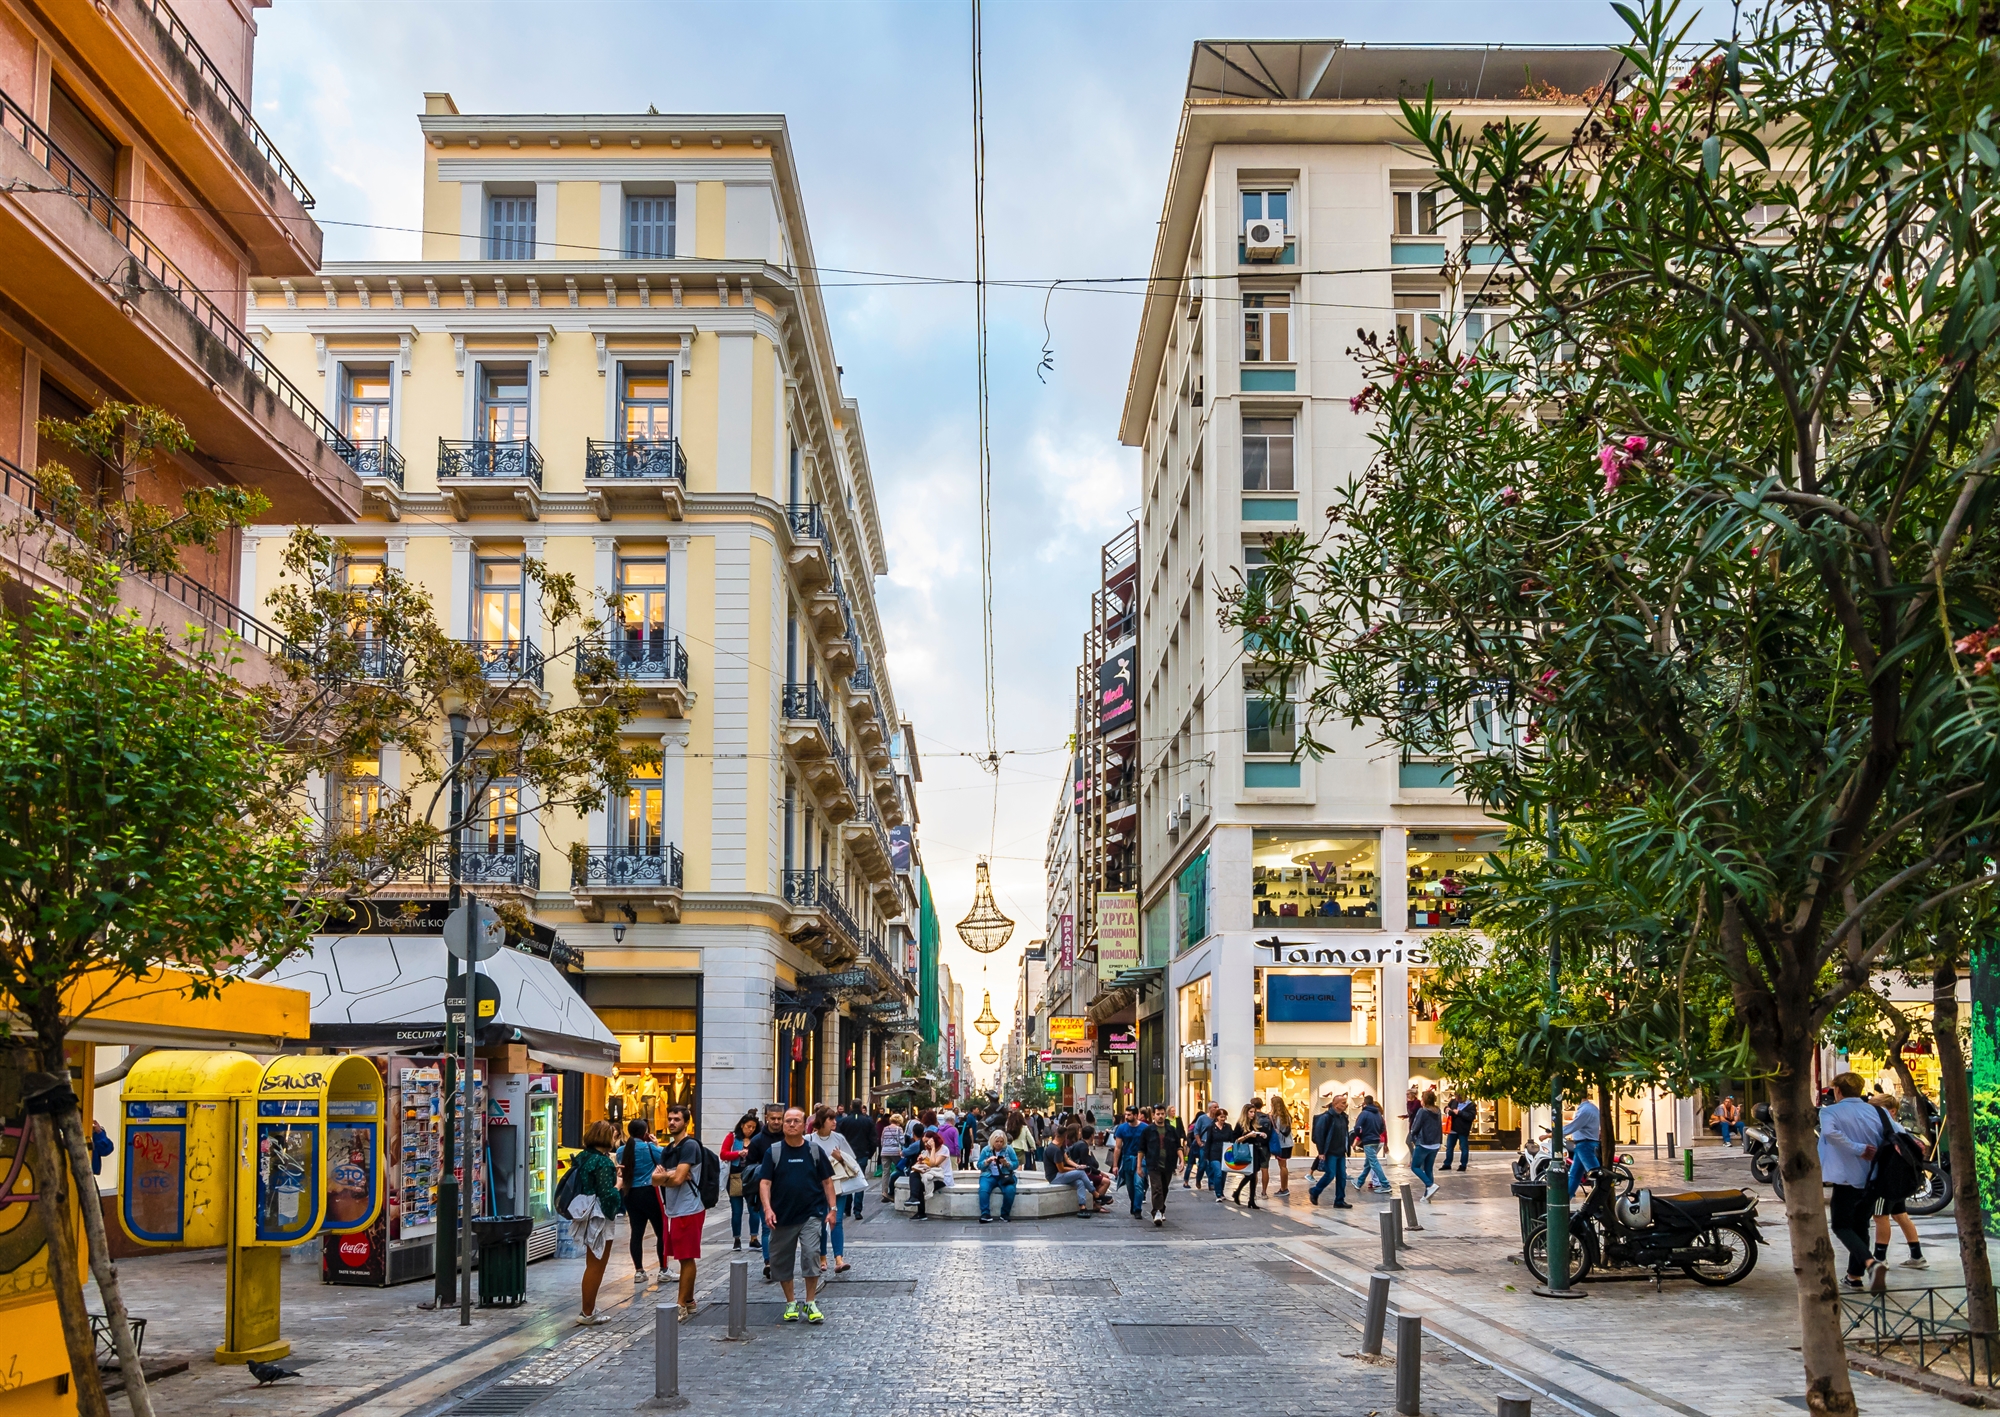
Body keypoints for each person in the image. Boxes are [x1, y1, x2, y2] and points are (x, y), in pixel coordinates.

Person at [757, 1106, 835, 1324]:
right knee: (781, 1261)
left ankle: (810, 1302)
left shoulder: (814, 1151)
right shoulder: (773, 1152)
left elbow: (827, 1181)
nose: (791, 1124)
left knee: (811, 1255)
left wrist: (833, 1209)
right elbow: (765, 1182)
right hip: (782, 1216)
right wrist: (767, 1208)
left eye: (796, 1121)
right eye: (787, 1121)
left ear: (804, 1125)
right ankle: (791, 1302)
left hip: (811, 1214)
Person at [1820, 1072, 1889, 1292]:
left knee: (1841, 1225)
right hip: (1873, 1179)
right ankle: (1854, 1276)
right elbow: (1898, 1133)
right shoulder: (1878, 1111)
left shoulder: (1830, 1111)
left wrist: (1858, 1149)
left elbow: (1830, 1133)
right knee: (1861, 1226)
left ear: (1838, 1091)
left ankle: (1870, 1263)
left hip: (1846, 1179)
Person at [566, 1119, 623, 1326]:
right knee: (597, 1264)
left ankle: (588, 1308)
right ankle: (587, 1311)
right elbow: (608, 1197)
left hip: (584, 1210)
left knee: (592, 1263)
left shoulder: (583, 1156)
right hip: (599, 1215)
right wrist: (618, 1183)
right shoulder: (603, 1162)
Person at [653, 1103, 705, 1320]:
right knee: (682, 1256)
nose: (672, 1122)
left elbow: (675, 1179)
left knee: (686, 1257)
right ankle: (690, 1301)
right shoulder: (667, 1149)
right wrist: (670, 1177)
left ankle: (681, 1304)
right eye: (670, 1118)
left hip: (689, 1208)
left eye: (677, 1119)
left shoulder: (690, 1146)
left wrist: (669, 1176)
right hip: (674, 1209)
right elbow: (654, 1179)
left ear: (686, 1122)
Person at [1867, 1091, 1927, 1271]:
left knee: (1880, 1216)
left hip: (1884, 1181)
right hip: (1897, 1180)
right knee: (1900, 1215)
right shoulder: (1899, 1128)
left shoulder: (1886, 1128)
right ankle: (1917, 1255)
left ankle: (1880, 1257)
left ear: (1891, 1111)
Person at [809, 1104, 862, 1275]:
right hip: (817, 1187)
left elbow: (851, 1159)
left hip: (838, 1185)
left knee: (836, 1221)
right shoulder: (809, 1139)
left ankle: (839, 1258)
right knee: (822, 1221)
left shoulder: (838, 1138)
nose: (834, 1121)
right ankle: (822, 1257)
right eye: (830, 1119)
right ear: (821, 1121)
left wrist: (840, 1158)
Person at [619, 1118, 668, 1287]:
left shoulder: (621, 1151)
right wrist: (656, 1144)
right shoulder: (649, 1148)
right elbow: (664, 1158)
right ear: (645, 1132)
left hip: (630, 1194)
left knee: (636, 1232)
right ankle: (663, 1269)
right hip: (649, 1191)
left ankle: (639, 1271)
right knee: (660, 1231)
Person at [741, 1104, 786, 1281]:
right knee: (767, 1228)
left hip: (787, 1192)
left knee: (784, 1229)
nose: (776, 1121)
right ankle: (769, 1262)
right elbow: (748, 1168)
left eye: (779, 1118)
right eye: (773, 1118)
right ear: (766, 1117)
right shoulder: (758, 1141)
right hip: (765, 1191)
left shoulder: (790, 1137)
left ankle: (779, 1260)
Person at [719, 1112, 763, 1252]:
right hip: (735, 1177)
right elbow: (723, 1153)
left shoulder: (757, 1139)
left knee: (753, 1209)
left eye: (753, 1127)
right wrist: (737, 1153)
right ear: (742, 1125)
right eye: (748, 1126)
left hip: (751, 1177)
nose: (750, 1129)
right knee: (736, 1210)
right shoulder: (732, 1137)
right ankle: (736, 1239)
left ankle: (754, 1238)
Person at [835, 1100, 877, 1222]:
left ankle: (846, 1208)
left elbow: (839, 1138)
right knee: (860, 1181)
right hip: (862, 1153)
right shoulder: (867, 1121)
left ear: (851, 1106)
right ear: (861, 1107)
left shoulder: (844, 1121)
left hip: (847, 1155)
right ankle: (857, 1210)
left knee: (847, 1180)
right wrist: (870, 1153)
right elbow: (873, 1139)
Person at [1309, 1092, 1352, 1207]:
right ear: (1335, 1104)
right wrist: (1321, 1152)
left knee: (1342, 1176)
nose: (1345, 1105)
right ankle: (1315, 1191)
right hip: (1330, 1152)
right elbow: (1319, 1135)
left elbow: (1345, 1134)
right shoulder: (1326, 1117)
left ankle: (1339, 1200)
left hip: (1340, 1151)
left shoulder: (1343, 1117)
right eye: (1343, 1103)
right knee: (1330, 1174)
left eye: (1345, 1102)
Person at [1142, 1106, 1180, 1227]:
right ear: (1153, 1115)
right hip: (1153, 1163)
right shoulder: (1148, 1131)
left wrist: (1182, 1160)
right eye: (1158, 1114)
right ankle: (1157, 1211)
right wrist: (1139, 1165)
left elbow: (1178, 1146)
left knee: (1164, 1188)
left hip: (1168, 1164)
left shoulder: (1171, 1130)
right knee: (1157, 1187)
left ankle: (1161, 1208)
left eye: (1162, 1114)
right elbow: (1141, 1149)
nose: (1160, 1116)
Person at [1110, 1106, 1148, 1217]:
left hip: (1141, 1160)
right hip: (1127, 1159)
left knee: (1138, 1184)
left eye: (1129, 1115)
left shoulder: (1145, 1128)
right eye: (1126, 1114)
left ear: (1136, 1115)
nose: (1126, 1117)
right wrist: (1115, 1165)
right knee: (1130, 1186)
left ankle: (1137, 1209)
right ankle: (1134, 1203)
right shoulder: (1121, 1128)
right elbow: (1118, 1147)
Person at [1229, 1102, 1268, 1208]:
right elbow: (1235, 1140)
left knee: (1253, 1175)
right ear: (1245, 1113)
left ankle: (1251, 1199)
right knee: (1249, 1175)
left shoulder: (1254, 1124)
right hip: (1245, 1151)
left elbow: (1256, 1138)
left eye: (1254, 1112)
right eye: (1251, 1112)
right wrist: (1248, 1136)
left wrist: (1261, 1135)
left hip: (1254, 1151)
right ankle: (1237, 1192)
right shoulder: (1240, 1124)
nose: (1253, 1114)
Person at [911, 1127, 954, 1219]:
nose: (926, 1144)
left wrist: (933, 1148)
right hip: (930, 1175)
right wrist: (920, 1161)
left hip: (942, 1178)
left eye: (927, 1142)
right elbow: (924, 1165)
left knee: (919, 1187)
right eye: (924, 1142)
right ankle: (913, 1197)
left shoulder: (944, 1149)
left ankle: (921, 1212)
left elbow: (933, 1163)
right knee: (913, 1173)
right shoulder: (927, 1151)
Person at [977, 1130, 1019, 1223]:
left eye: (1001, 1141)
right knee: (983, 1189)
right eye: (997, 1141)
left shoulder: (1009, 1149)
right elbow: (979, 1165)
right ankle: (985, 1213)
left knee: (1010, 1190)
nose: (999, 1144)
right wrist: (987, 1161)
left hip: (1005, 1175)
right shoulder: (986, 1150)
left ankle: (1005, 1213)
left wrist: (1007, 1163)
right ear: (992, 1141)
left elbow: (1016, 1163)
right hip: (989, 1175)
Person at [1352, 1095, 1391, 1193]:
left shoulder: (1364, 1113)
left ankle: (1385, 1184)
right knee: (1368, 1163)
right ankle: (1359, 1182)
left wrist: (1360, 1136)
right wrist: (1376, 1133)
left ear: (1364, 1103)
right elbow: (1383, 1128)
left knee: (1373, 1163)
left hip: (1368, 1141)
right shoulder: (1378, 1114)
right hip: (1376, 1141)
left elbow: (1357, 1127)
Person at [1409, 1090, 1444, 1200]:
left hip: (1424, 1143)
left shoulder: (1422, 1111)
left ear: (1424, 1100)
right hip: (1435, 1143)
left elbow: (1415, 1127)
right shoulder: (1438, 1111)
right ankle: (1427, 1195)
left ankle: (1430, 1185)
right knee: (1428, 1168)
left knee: (1415, 1166)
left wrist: (1414, 1139)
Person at [1564, 1095, 1602, 1195]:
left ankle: (1609, 1202)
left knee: (1597, 1175)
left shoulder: (1585, 1110)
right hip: (1584, 1144)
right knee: (1574, 1175)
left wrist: (1553, 1134)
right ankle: (1565, 1201)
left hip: (1585, 1144)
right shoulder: (1591, 1108)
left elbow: (1574, 1125)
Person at [1203, 1104, 1235, 1200]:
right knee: (1218, 1173)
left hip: (1225, 1154)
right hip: (1214, 1153)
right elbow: (1208, 1141)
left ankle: (1221, 1192)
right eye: (1221, 1117)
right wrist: (1206, 1156)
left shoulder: (1228, 1127)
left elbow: (1232, 1139)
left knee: (1224, 1174)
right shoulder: (1211, 1127)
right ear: (1217, 1117)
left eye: (1224, 1117)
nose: (1223, 1119)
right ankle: (1218, 1194)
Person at [1267, 1097, 1296, 1197]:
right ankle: (1284, 1187)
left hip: (1281, 1144)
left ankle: (1284, 1188)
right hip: (1288, 1143)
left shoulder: (1275, 1117)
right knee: (1284, 1166)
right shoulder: (1286, 1116)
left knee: (1282, 1166)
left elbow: (1276, 1130)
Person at [876, 1112, 906, 1201]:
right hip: (895, 1152)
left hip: (884, 1152)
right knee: (900, 1169)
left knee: (885, 1172)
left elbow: (882, 1140)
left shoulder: (885, 1129)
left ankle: (884, 1192)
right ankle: (895, 1189)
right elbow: (902, 1141)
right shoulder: (899, 1129)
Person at [1442, 1095, 1476, 1172]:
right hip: (1452, 1128)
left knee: (1463, 1148)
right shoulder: (1453, 1101)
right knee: (1449, 1147)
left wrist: (1460, 1113)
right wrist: (1446, 1109)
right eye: (1456, 1098)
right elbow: (1447, 1107)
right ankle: (1447, 1164)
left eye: (1459, 1099)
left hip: (1463, 1129)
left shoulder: (1471, 1105)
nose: (1457, 1100)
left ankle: (1463, 1165)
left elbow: (1471, 1116)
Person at [1185, 1105, 1214, 1189]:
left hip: (1212, 1145)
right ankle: (1196, 1179)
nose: (1216, 1109)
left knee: (1210, 1165)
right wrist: (1199, 1142)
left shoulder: (1217, 1119)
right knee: (1202, 1164)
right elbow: (1195, 1132)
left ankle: (1211, 1184)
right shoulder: (1201, 1119)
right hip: (1201, 1145)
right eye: (1214, 1107)